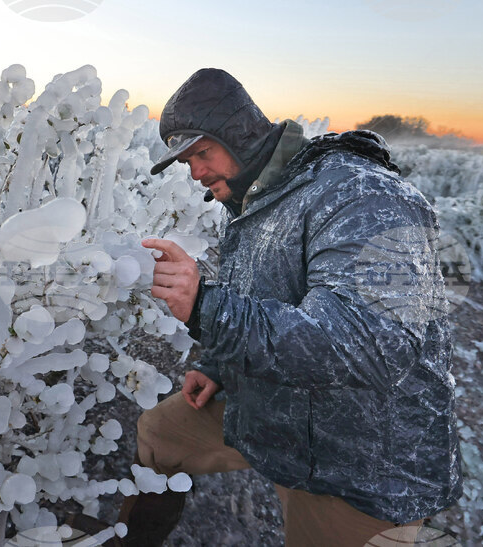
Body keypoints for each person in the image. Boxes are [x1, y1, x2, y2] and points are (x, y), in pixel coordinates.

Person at [123, 68, 463, 546]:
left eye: (203, 153)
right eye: (187, 161)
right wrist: (221, 363)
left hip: (359, 461)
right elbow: (272, 292)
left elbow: (368, 345)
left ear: (242, 138)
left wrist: (204, 306)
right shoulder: (257, 197)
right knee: (161, 434)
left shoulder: (361, 195)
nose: (196, 172)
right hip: (278, 409)